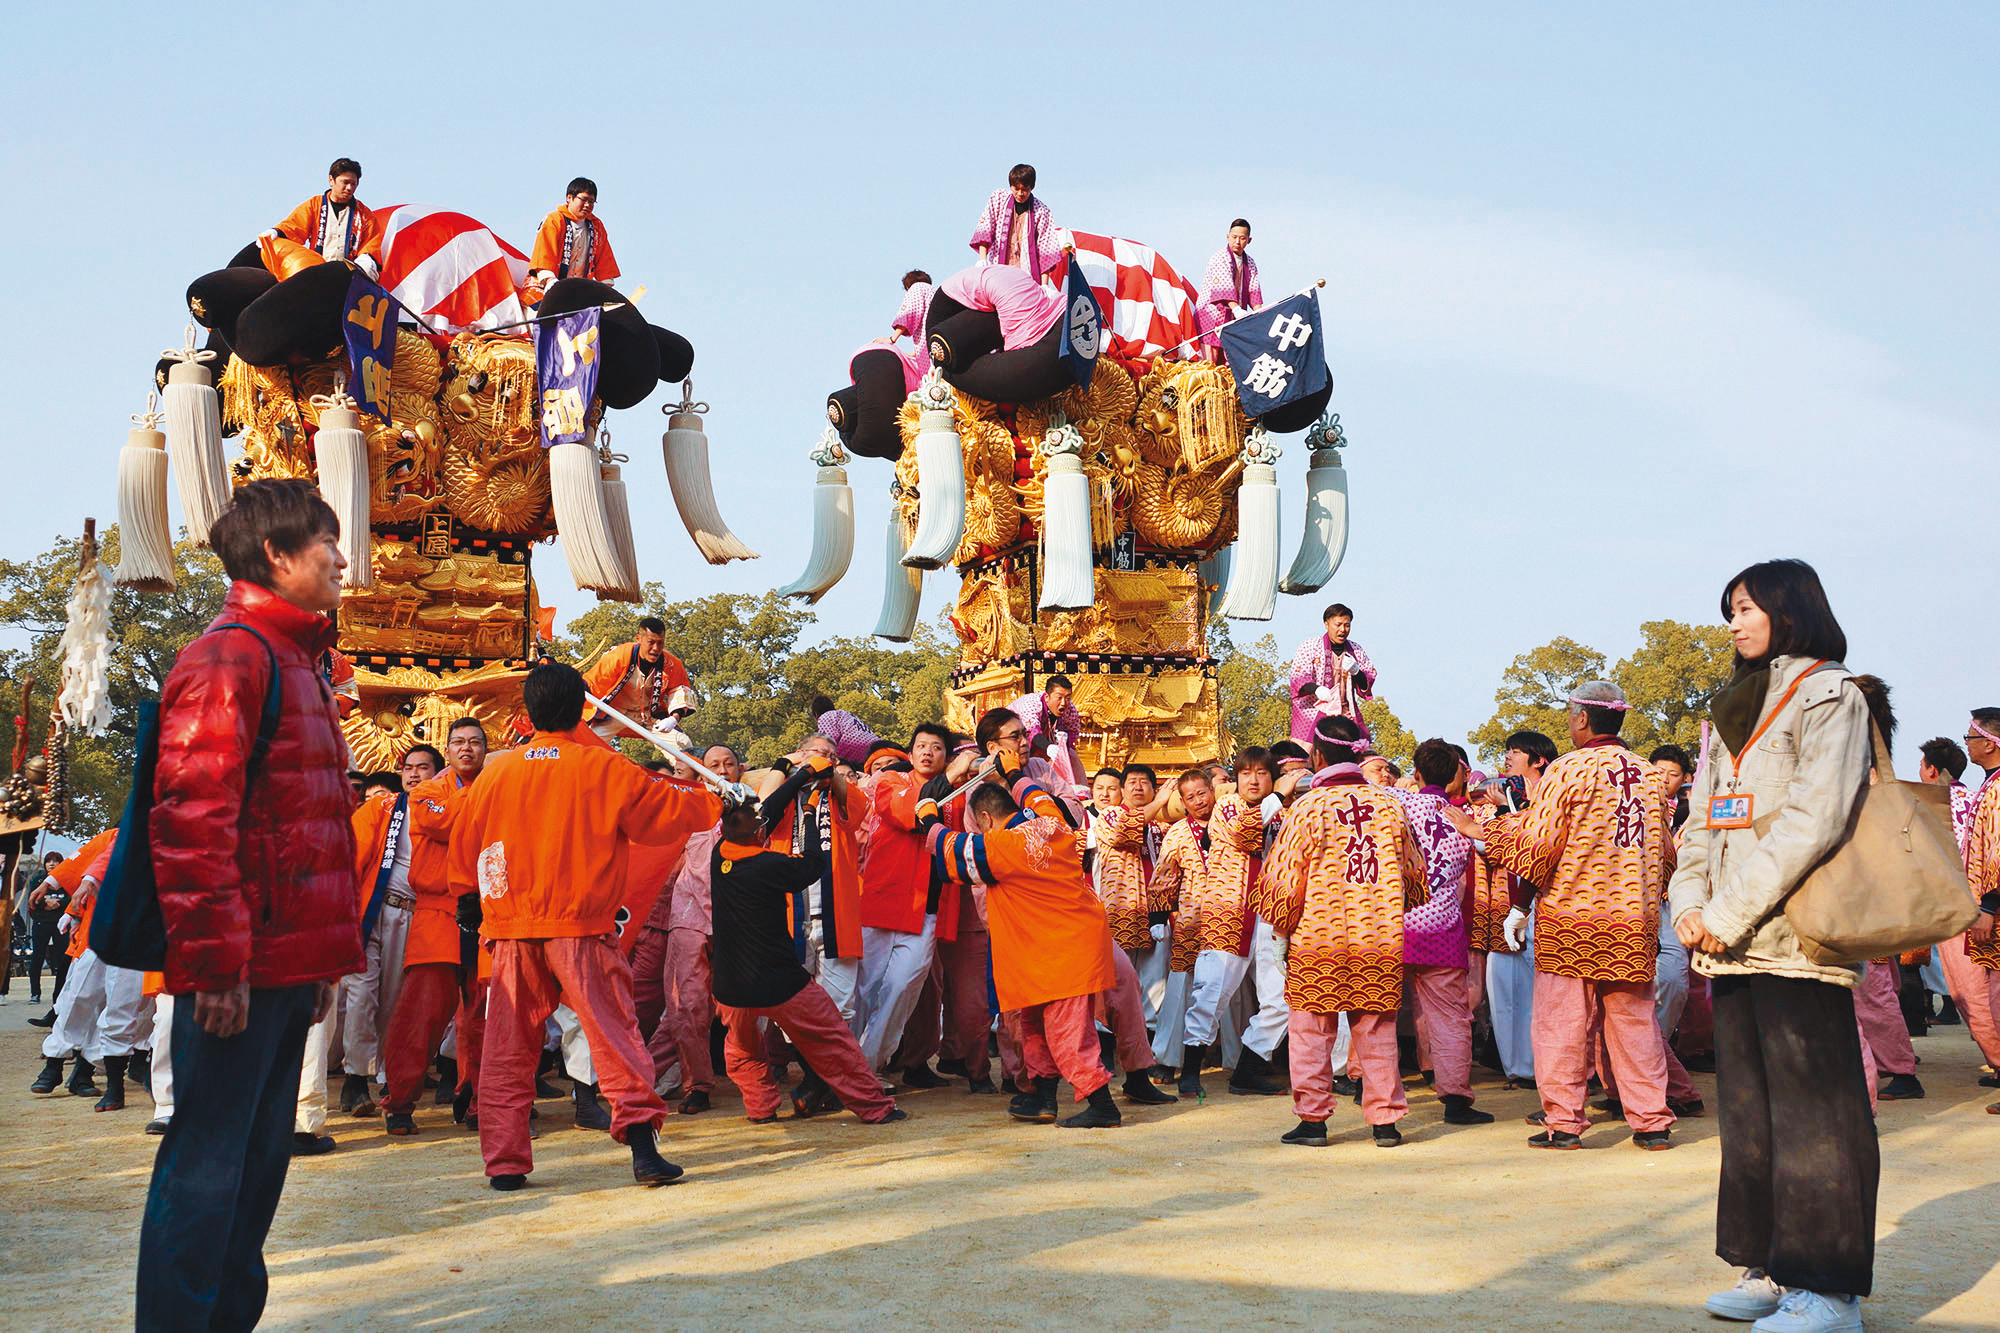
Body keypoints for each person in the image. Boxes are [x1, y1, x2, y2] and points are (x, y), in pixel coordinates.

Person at [136, 479, 365, 1332]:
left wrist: (320, 964)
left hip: (284, 966)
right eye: (325, 542)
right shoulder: (230, 658)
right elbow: (194, 822)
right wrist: (216, 965)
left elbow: (307, 828)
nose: (341, 558)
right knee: (206, 1171)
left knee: (256, 1172)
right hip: (239, 968)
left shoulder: (299, 660)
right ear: (276, 554)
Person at [1665, 559, 1878, 1330]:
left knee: (1816, 1114)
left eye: (1747, 607)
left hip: (1798, 941)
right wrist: (1691, 904)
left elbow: (1814, 820)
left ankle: (1829, 1287)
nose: (1735, 622)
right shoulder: (1732, 705)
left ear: (1789, 610)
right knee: (1749, 1112)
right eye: (1731, 609)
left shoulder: (1832, 694)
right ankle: (1771, 1266)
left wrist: (1726, 910)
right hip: (1728, 942)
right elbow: (1700, 821)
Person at [448, 660, 718, 1190]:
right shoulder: (603, 767)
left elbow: (465, 848)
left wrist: (471, 901)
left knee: (507, 1049)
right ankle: (643, 1149)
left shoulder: (496, 772)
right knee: (615, 1039)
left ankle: (505, 1163)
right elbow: (665, 813)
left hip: (512, 931)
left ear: (528, 713)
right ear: (581, 712)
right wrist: (716, 799)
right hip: (582, 929)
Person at [1453, 681, 1677, 1153]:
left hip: (1571, 917)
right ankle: (1652, 1123)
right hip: (1632, 919)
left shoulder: (1567, 770)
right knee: (1635, 1024)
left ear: (1582, 719)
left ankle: (1565, 1123)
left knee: (1562, 1024)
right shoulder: (1649, 775)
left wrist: (1518, 902)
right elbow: (1665, 855)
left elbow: (1540, 846)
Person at [921, 736, 1125, 1129]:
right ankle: (1043, 1098)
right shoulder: (1051, 822)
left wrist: (928, 817)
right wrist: (1014, 772)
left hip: (1057, 952)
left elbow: (951, 851)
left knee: (1066, 1031)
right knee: (1033, 1026)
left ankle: (1102, 1104)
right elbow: (1036, 795)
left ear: (984, 820)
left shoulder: (1002, 846)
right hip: (1052, 949)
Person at [1253, 715, 1424, 1147]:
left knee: (1311, 1032)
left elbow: (1285, 879)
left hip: (1318, 939)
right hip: (1378, 938)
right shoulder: (1390, 805)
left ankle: (1313, 1122)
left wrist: (1280, 932)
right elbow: (1413, 873)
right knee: (1377, 1030)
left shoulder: (1308, 807)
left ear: (1318, 756)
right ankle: (1385, 1122)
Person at [710, 799, 905, 1126]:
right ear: (759, 834)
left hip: (730, 986)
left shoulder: (719, 856)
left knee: (742, 1050)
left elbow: (766, 814)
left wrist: (797, 777)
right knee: (833, 1041)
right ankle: (875, 1107)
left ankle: (760, 1108)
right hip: (779, 982)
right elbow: (815, 863)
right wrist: (811, 815)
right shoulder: (769, 864)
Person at [379, 719, 489, 1136]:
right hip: (437, 911)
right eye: (459, 742)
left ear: (485, 749)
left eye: (475, 742)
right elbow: (443, 823)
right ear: (448, 750)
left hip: (488, 913)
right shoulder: (426, 792)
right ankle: (399, 1102)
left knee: (484, 1016)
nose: (467, 749)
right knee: (420, 1014)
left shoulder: (493, 785)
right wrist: (488, 791)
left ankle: (479, 1100)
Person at [1389, 740, 1493, 1126]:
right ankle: (1456, 1100)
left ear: (1415, 773)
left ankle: (1369, 1087)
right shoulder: (1465, 819)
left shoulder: (1395, 802)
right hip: (1443, 929)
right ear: (1454, 776)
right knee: (1451, 1018)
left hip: (1393, 924)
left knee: (1377, 1014)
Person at [632, 742, 739, 1115]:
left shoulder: (753, 808)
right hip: (688, 916)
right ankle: (697, 1086)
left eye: (728, 764)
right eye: (714, 765)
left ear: (739, 769)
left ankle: (759, 1076)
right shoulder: (686, 807)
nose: (721, 771)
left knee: (741, 1008)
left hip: (735, 919)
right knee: (685, 1006)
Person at [854, 724, 963, 1076]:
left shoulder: (960, 793)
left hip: (927, 910)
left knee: (902, 989)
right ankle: (845, 1066)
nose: (927, 752)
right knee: (864, 988)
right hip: (884, 900)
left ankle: (867, 1068)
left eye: (937, 747)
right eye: (921, 746)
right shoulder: (891, 781)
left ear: (947, 756)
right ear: (911, 753)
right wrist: (953, 775)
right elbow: (911, 812)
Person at [339, 743, 441, 1117]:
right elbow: (352, 856)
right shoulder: (383, 808)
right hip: (372, 910)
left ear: (438, 773)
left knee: (394, 1001)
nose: (413, 774)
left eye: (423, 767)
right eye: (408, 767)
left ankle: (385, 1075)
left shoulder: (446, 810)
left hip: (414, 916)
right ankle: (354, 1078)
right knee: (361, 996)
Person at [1962, 707, 2000, 1113]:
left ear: (1989, 743)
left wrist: (1989, 906)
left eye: (1970, 737)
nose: (1967, 745)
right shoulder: (1991, 785)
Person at [582, 616, 693, 740]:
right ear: (638, 639)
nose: (656, 648)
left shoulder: (672, 664)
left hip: (651, 716)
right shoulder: (619, 656)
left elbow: (680, 692)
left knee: (683, 742)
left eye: (660, 643)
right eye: (651, 642)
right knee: (589, 741)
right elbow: (592, 683)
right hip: (616, 713)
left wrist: (673, 719)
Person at [271, 157, 381, 277]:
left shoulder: (364, 215)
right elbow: (294, 226)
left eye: (353, 184)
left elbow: (372, 243)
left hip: (349, 275)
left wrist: (366, 258)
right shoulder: (314, 205)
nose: (349, 188)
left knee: (368, 268)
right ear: (331, 180)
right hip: (319, 271)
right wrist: (276, 232)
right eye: (345, 182)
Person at [1288, 604, 1377, 747]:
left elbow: (1367, 680)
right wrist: (1316, 689)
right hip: (1314, 709)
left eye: (1347, 625)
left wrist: (1357, 672)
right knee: (1303, 751)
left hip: (1345, 712)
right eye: (1338, 625)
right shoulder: (1310, 646)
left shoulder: (1356, 650)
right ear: (1326, 624)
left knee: (1363, 750)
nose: (1343, 630)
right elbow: (1299, 676)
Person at [969, 164, 1061, 284]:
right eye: (1016, 189)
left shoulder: (1042, 211)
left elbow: (1046, 248)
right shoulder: (999, 199)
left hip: (1027, 275)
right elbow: (986, 227)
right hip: (999, 269)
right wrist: (983, 259)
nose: (1020, 193)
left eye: (1025, 189)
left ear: (1031, 187)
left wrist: (1045, 285)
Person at [529, 177, 619, 286]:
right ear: (569, 198)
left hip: (579, 289)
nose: (587, 205)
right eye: (583, 199)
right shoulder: (554, 220)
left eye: (591, 201)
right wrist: (550, 281)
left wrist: (605, 288)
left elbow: (604, 261)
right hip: (546, 285)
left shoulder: (597, 226)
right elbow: (544, 254)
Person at [1197, 219, 1262, 361]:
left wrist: (1259, 315)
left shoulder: (1250, 262)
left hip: (1234, 317)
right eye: (1234, 237)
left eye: (1242, 238)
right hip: (1212, 313)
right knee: (1211, 359)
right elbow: (1224, 287)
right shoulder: (1220, 257)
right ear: (1228, 237)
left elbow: (1254, 291)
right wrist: (1237, 309)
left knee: (1231, 358)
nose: (1237, 241)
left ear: (1249, 240)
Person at [1007, 675, 1083, 788]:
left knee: (1071, 755)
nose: (1064, 703)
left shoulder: (1070, 709)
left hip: (1044, 743)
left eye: (1068, 698)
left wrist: (1063, 748)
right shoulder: (1031, 703)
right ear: (1047, 697)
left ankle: (1077, 790)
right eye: (1059, 697)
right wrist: (1049, 748)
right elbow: (1032, 731)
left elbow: (1072, 732)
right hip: (1015, 742)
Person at [25, 850, 72, 1010]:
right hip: (41, 922)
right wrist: (45, 903)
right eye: (49, 861)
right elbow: (33, 900)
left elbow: (72, 898)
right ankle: (35, 993)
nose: (52, 864)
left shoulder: (66, 879)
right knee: (37, 957)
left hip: (61, 923)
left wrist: (58, 903)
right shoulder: (38, 880)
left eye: (55, 861)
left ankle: (60, 994)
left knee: (63, 958)